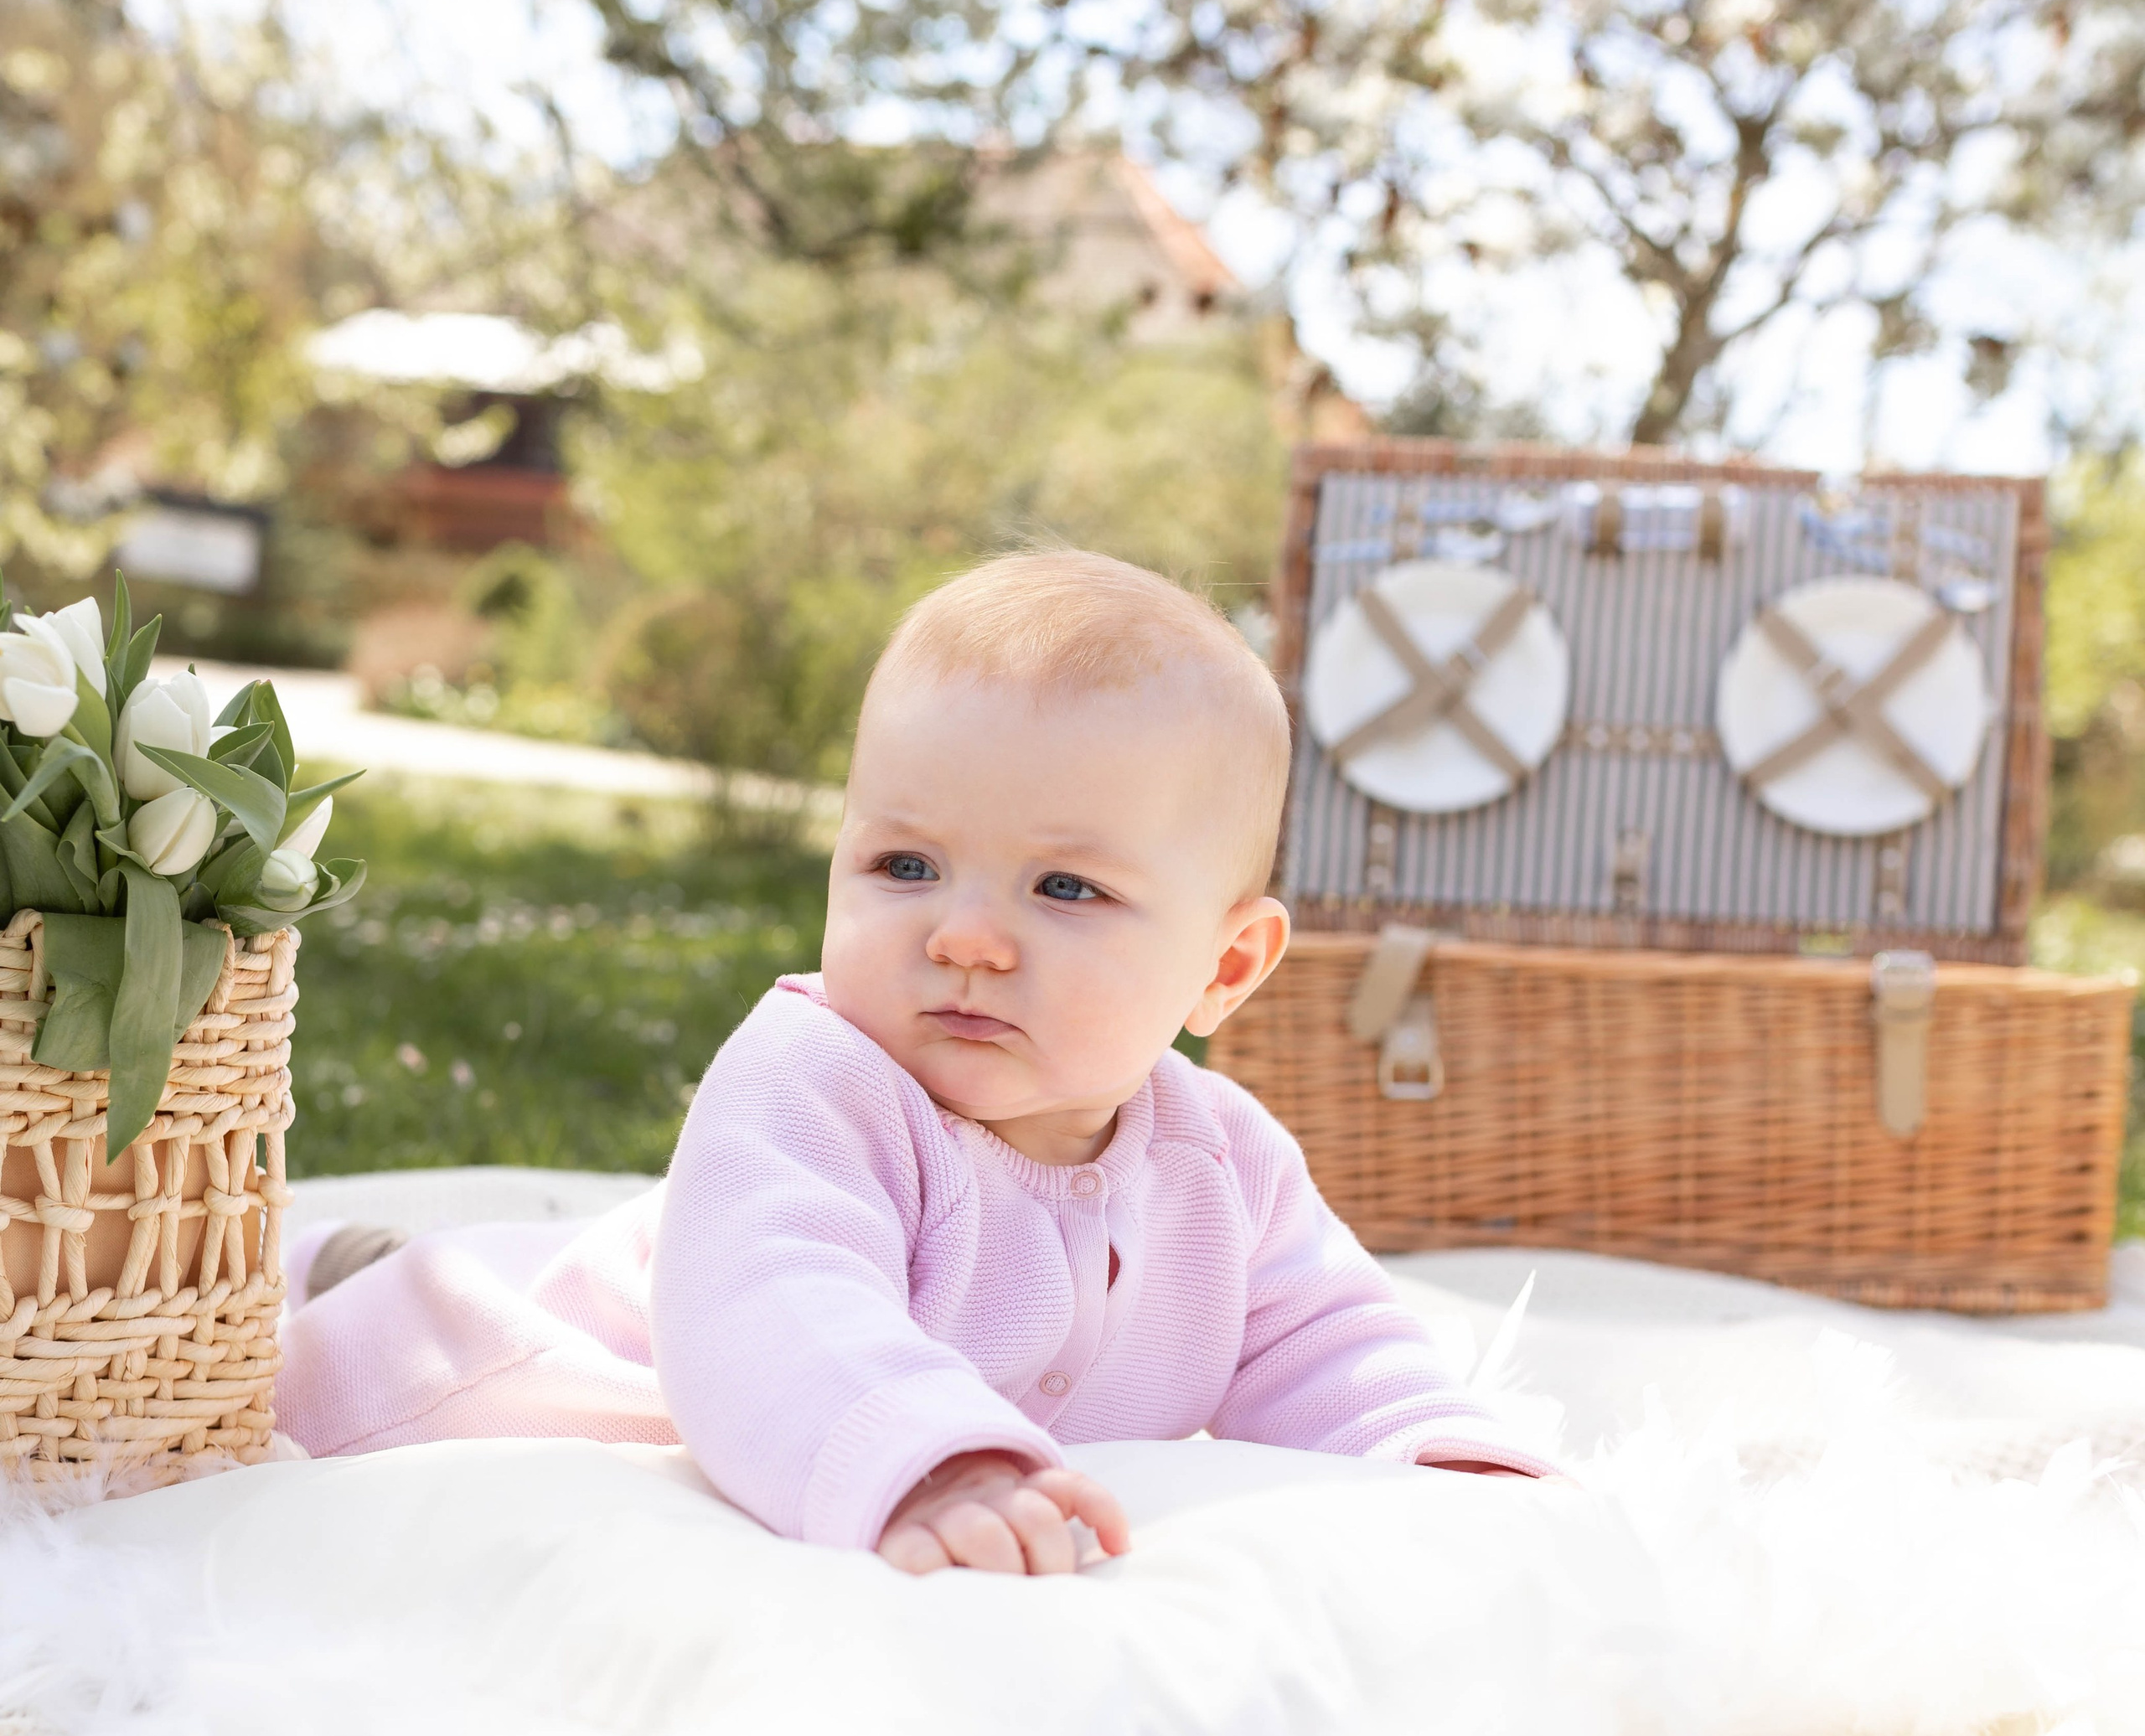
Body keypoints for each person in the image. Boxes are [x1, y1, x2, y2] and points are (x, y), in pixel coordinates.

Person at [278, 552, 1557, 1569]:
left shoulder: (1223, 1166)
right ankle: (337, 1271)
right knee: (311, 1328)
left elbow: (1325, 1342)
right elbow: (777, 1305)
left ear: (1225, 971)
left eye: (1065, 886)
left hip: (686, 1314)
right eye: (906, 865)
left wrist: (1435, 1455)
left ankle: (361, 1252)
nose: (963, 936)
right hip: (485, 1366)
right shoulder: (818, 1083)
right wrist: (931, 1460)